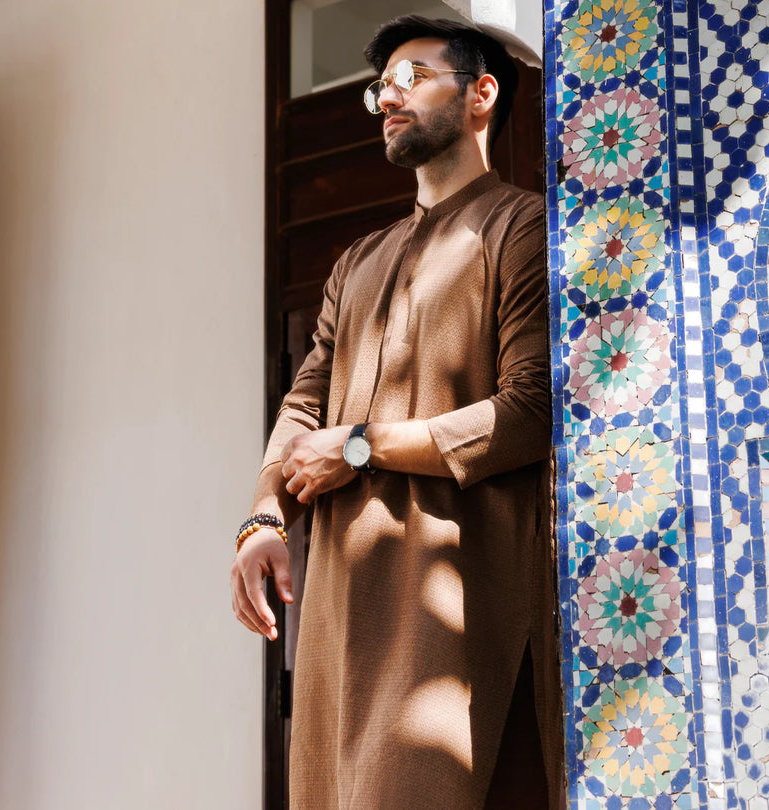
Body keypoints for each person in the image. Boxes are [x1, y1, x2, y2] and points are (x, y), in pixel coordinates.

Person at [230, 15, 558, 808]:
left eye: (412, 77)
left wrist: (362, 447)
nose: (387, 98)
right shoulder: (358, 261)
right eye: (382, 87)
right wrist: (263, 519)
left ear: (481, 94)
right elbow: (302, 403)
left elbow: (532, 410)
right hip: (339, 619)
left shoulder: (524, 228)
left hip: (456, 609)